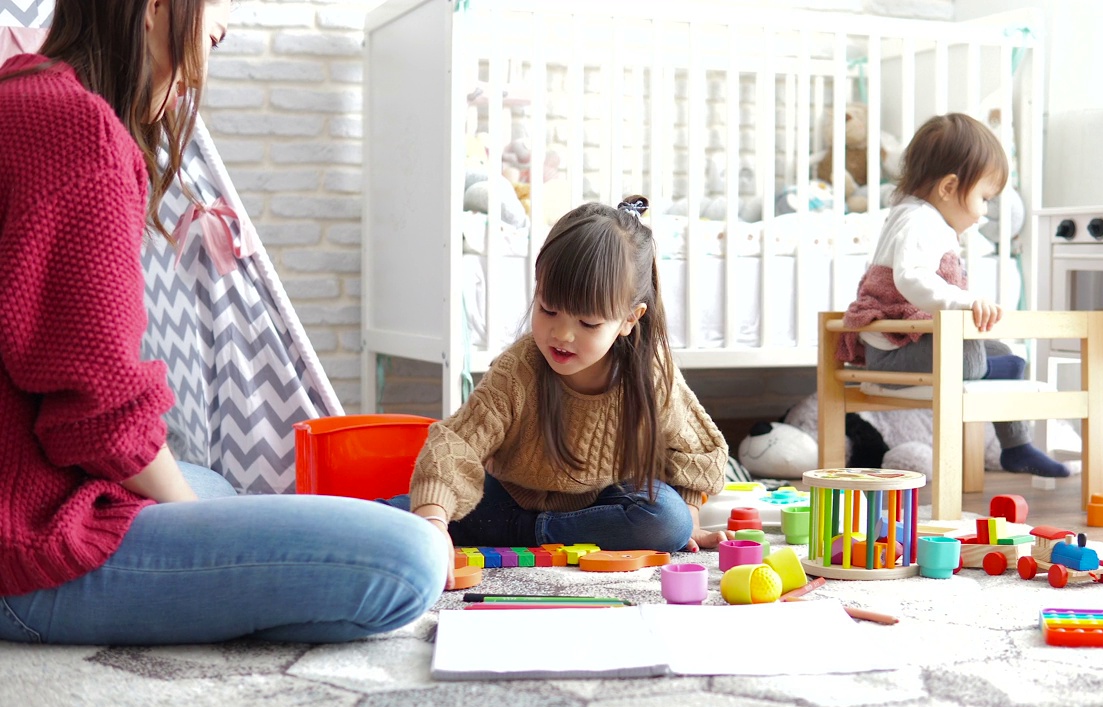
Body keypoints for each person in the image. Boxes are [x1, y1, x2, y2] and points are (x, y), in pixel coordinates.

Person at [0, 0, 449, 645]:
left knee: (210, 481)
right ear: (154, 10)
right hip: (32, 558)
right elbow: (99, 414)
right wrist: (199, 531)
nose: (213, 43)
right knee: (412, 561)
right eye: (214, 20)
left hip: (36, 501)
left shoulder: (20, 88)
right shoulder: (82, 132)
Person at [398, 196, 729, 587]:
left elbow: (701, 453)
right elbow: (457, 443)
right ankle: (497, 528)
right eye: (548, 309)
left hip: (603, 503)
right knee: (407, 518)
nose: (562, 335)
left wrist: (689, 515)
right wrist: (434, 518)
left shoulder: (650, 374)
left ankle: (525, 532)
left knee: (667, 521)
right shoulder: (518, 370)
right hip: (507, 498)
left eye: (588, 323)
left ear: (628, 320)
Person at [837, 113, 1070, 478]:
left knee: (1002, 353)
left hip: (909, 341)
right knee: (975, 351)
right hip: (892, 352)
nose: (984, 212)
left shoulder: (926, 219)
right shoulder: (919, 221)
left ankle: (1016, 446)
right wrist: (962, 301)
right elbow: (912, 278)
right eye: (983, 197)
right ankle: (1001, 384)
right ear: (948, 188)